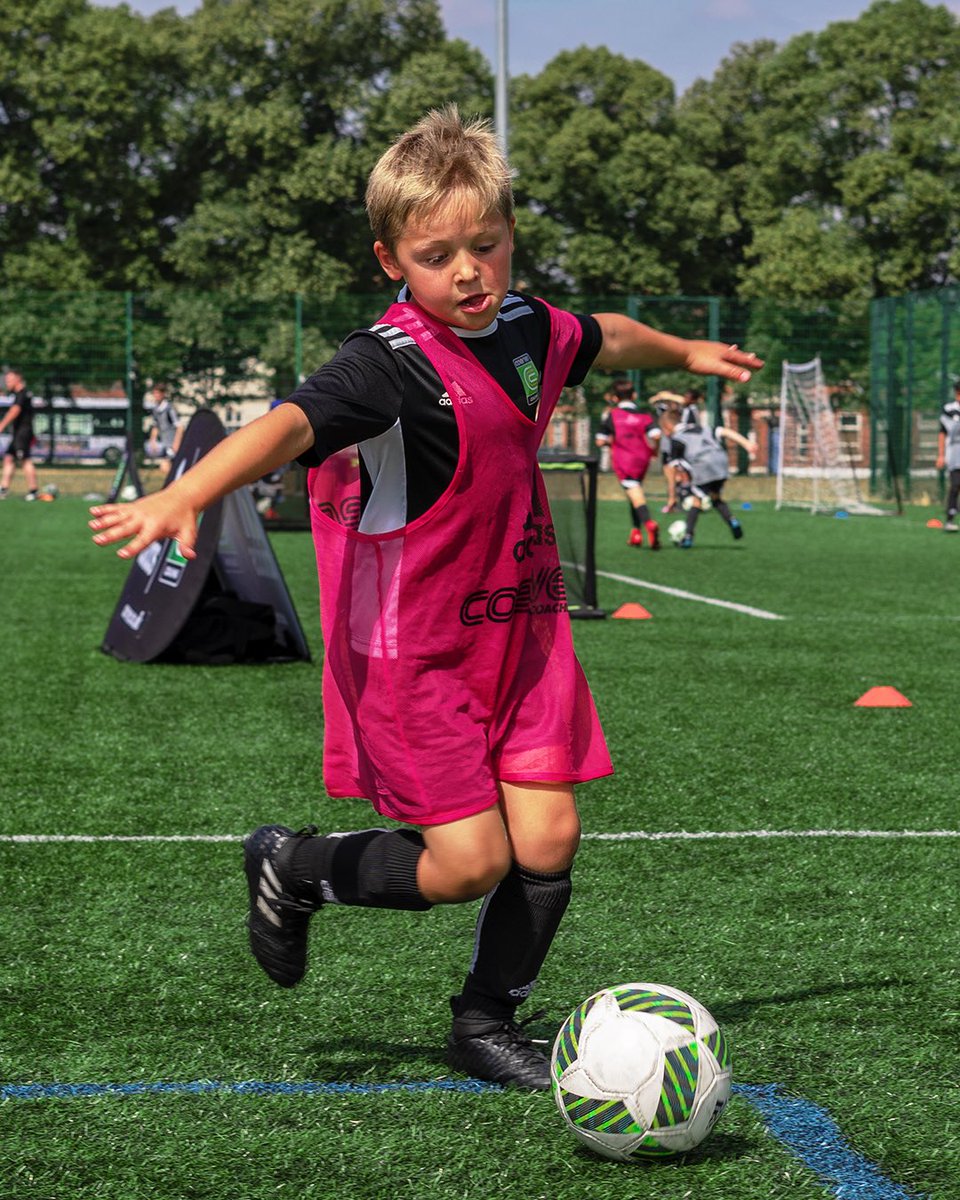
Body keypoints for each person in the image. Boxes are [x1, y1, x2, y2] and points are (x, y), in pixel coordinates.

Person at [89, 106, 763, 1090]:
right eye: (436, 254)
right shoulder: (387, 365)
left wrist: (685, 351)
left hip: (523, 633)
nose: (468, 272)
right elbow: (287, 424)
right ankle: (298, 865)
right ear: (390, 260)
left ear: (509, 237)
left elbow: (601, 336)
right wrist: (190, 491)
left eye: (486, 246)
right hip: (418, 655)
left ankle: (484, 1024)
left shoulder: (528, 326)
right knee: (470, 865)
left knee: (551, 834)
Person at [662, 403, 757, 548]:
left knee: (696, 501)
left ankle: (688, 537)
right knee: (715, 497)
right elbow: (724, 431)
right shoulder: (702, 427)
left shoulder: (677, 439)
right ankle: (732, 521)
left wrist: (672, 496)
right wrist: (746, 443)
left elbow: (673, 468)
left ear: (668, 426)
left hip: (703, 464)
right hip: (721, 461)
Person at [595, 378, 661, 547]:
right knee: (634, 493)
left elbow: (600, 441)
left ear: (615, 398)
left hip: (624, 459)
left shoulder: (612, 415)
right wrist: (655, 449)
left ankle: (648, 524)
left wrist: (613, 442)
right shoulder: (644, 414)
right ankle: (636, 533)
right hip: (642, 458)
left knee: (634, 492)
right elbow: (656, 435)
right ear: (634, 395)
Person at [0, 368, 39, 501]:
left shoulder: (23, 394)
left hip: (23, 433)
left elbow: (15, 411)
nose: (7, 383)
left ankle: (33, 491)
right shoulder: (20, 394)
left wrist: (1, 425)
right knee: (9, 458)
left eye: (9, 380)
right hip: (18, 433)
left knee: (24, 459)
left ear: (18, 379)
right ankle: (3, 489)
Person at [936, 379, 960, 532]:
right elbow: (942, 433)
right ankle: (950, 519)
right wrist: (941, 455)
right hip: (955, 453)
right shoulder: (949, 409)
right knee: (956, 484)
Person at [145, 383, 182, 477]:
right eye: (154, 394)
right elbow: (156, 426)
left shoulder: (169, 409)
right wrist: (152, 440)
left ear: (163, 394)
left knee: (165, 466)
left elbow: (180, 427)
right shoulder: (156, 409)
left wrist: (176, 444)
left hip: (173, 444)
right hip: (166, 444)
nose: (155, 396)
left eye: (157, 393)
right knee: (171, 468)